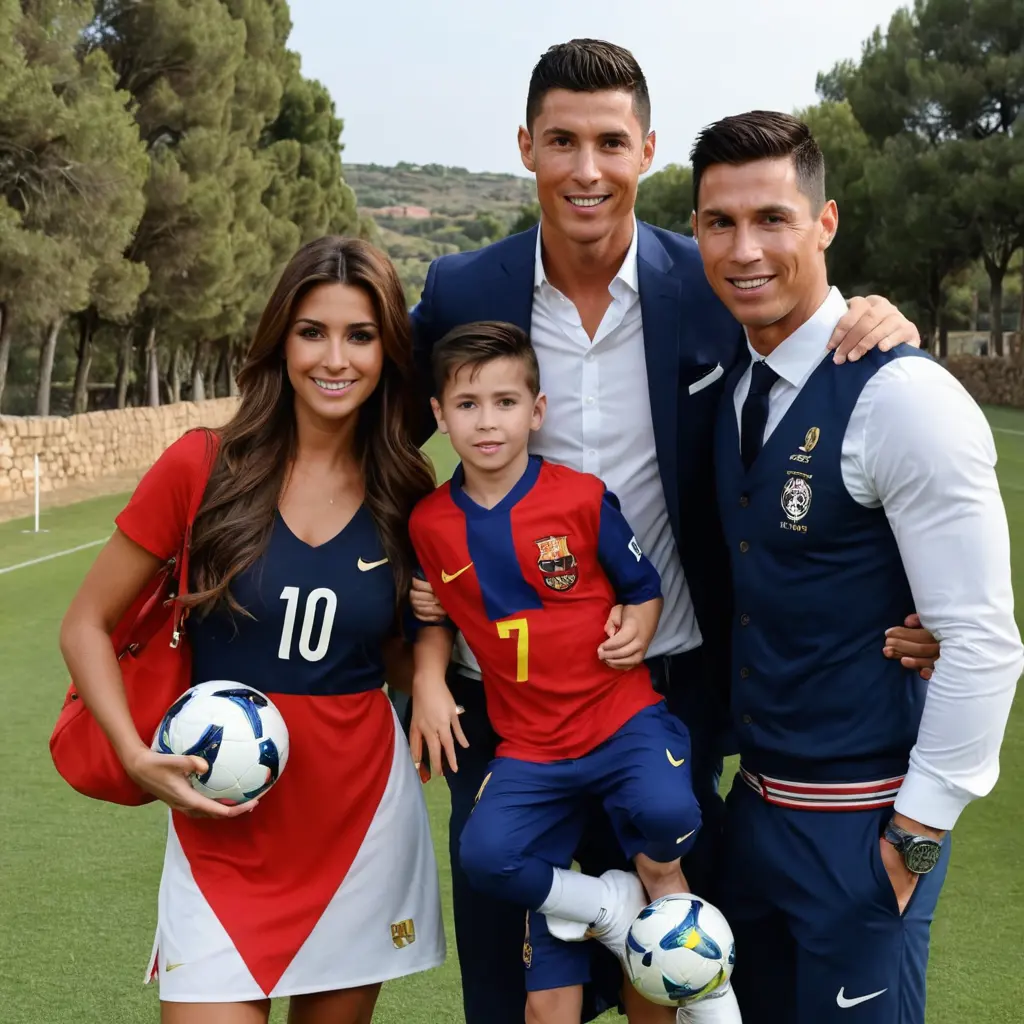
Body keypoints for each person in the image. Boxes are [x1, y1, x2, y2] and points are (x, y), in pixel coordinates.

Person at [407, 37, 937, 1024]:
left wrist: (877, 315)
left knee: (671, 976)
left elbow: (818, 356)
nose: (587, 169)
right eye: (561, 141)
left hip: (667, 692)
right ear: (525, 146)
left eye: (611, 142)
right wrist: (422, 628)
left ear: (645, 150)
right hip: (506, 706)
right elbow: (379, 449)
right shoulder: (461, 290)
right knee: (516, 991)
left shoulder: (711, 280)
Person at [688, 110, 1023, 1024]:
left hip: (864, 825)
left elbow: (983, 643)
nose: (745, 249)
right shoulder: (735, 383)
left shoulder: (903, 396)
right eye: (720, 222)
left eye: (773, 219)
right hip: (754, 811)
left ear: (825, 223)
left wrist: (912, 841)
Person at [58, 237, 447, 1024]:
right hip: (223, 821)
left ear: (387, 353)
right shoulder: (201, 466)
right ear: (280, 341)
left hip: (359, 821)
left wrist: (434, 661)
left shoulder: (407, 490)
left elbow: (396, 658)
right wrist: (134, 754)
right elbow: (85, 625)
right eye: (312, 332)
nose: (334, 358)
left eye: (360, 335)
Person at [408, 322, 740, 1024]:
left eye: (505, 402)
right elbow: (433, 613)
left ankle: (691, 959)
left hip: (619, 719)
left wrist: (641, 621)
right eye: (467, 405)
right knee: (484, 855)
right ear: (438, 415)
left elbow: (643, 585)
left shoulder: (582, 498)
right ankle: (603, 906)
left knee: (671, 815)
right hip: (529, 745)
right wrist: (429, 680)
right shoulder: (430, 524)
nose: (486, 422)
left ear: (537, 410)